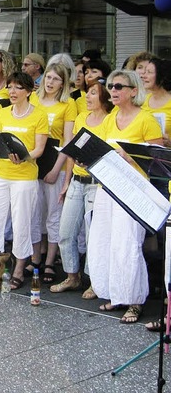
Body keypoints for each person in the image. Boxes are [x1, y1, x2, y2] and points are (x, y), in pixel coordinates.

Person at [86, 70, 163, 324]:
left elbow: (156, 158)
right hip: (107, 188)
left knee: (127, 244)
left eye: (119, 86)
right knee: (104, 241)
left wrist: (130, 156)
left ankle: (134, 300)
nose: (114, 90)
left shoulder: (146, 119)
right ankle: (114, 293)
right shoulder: (111, 118)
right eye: (111, 86)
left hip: (133, 190)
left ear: (133, 90)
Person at [0, 72, 48, 290]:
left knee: (22, 223)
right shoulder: (2, 113)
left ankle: (19, 268)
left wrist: (24, 157)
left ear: (28, 91)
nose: (12, 92)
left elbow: (39, 149)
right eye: (10, 87)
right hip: (2, 173)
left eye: (18, 88)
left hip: (24, 177)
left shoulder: (39, 115)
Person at [50, 80, 112, 294]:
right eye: (88, 92)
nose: (87, 96)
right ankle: (72, 276)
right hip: (77, 181)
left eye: (93, 93)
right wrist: (66, 182)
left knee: (94, 236)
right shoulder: (81, 118)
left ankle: (95, 281)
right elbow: (72, 152)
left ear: (103, 98)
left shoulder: (110, 120)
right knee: (66, 232)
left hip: (97, 184)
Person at [28, 63, 76, 283]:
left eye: (56, 79)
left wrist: (58, 169)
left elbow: (68, 140)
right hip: (33, 159)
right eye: (48, 77)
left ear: (63, 83)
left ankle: (50, 262)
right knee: (35, 214)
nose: (50, 82)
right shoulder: (34, 100)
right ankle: (36, 258)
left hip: (54, 159)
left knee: (53, 216)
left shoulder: (68, 104)